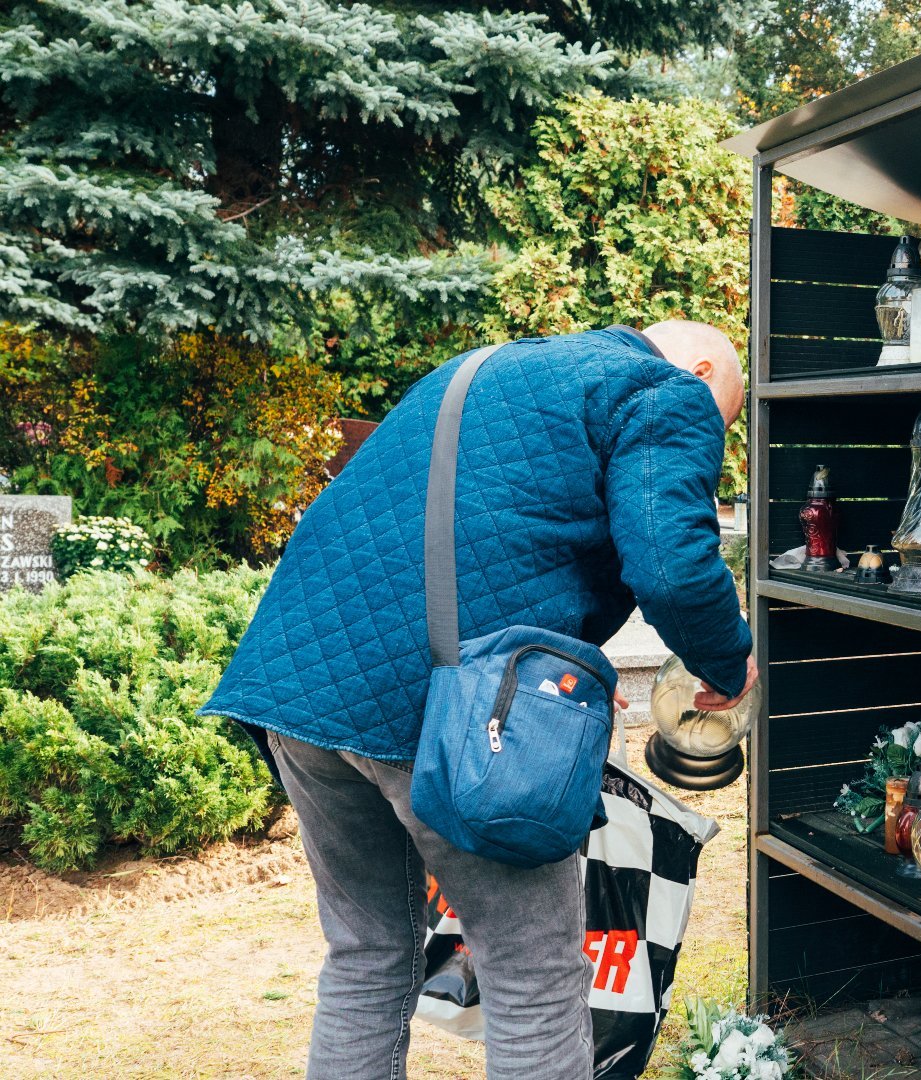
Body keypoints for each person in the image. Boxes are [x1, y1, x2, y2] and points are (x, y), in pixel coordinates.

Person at [201, 321, 756, 1079]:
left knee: (367, 953)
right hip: (446, 709)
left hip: (301, 690)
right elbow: (673, 566)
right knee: (532, 974)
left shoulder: (482, 367)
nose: (713, 440)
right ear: (700, 371)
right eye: (725, 421)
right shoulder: (665, 392)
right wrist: (729, 660)